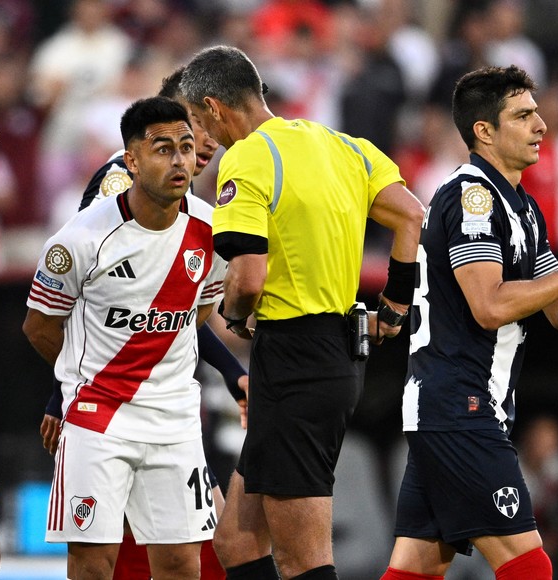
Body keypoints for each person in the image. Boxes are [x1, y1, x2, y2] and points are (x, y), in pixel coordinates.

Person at [383, 65, 558, 580]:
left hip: (453, 408)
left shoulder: (524, 208)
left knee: (415, 569)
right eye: (523, 115)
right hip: (460, 406)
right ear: (484, 130)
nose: (541, 125)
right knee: (530, 567)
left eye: (537, 113)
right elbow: (490, 306)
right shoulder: (473, 196)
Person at [179, 45, 426, 580]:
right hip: (335, 356)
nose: (201, 136)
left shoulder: (247, 156)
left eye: (198, 120)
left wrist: (235, 314)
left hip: (295, 361)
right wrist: (395, 310)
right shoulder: (345, 146)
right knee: (238, 541)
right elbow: (411, 215)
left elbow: (248, 278)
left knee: (302, 559)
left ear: (214, 108)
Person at [38, 68, 247, 580]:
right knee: (110, 553)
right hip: (105, 405)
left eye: (203, 134)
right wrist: (63, 394)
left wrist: (229, 371)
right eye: (197, 124)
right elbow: (86, 304)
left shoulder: (200, 216)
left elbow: (180, 312)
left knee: (188, 548)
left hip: (169, 405)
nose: (208, 142)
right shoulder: (119, 190)